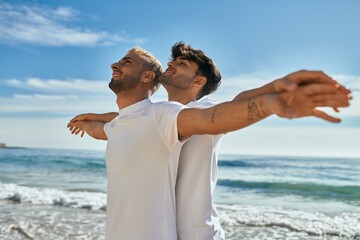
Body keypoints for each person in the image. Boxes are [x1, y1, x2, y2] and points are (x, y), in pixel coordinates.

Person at [67, 45, 350, 240]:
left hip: (200, 234)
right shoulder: (156, 115)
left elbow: (234, 105)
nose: (171, 65)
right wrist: (95, 118)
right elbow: (130, 120)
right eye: (171, 62)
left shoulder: (206, 110)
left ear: (198, 80)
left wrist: (275, 91)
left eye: (181, 64)